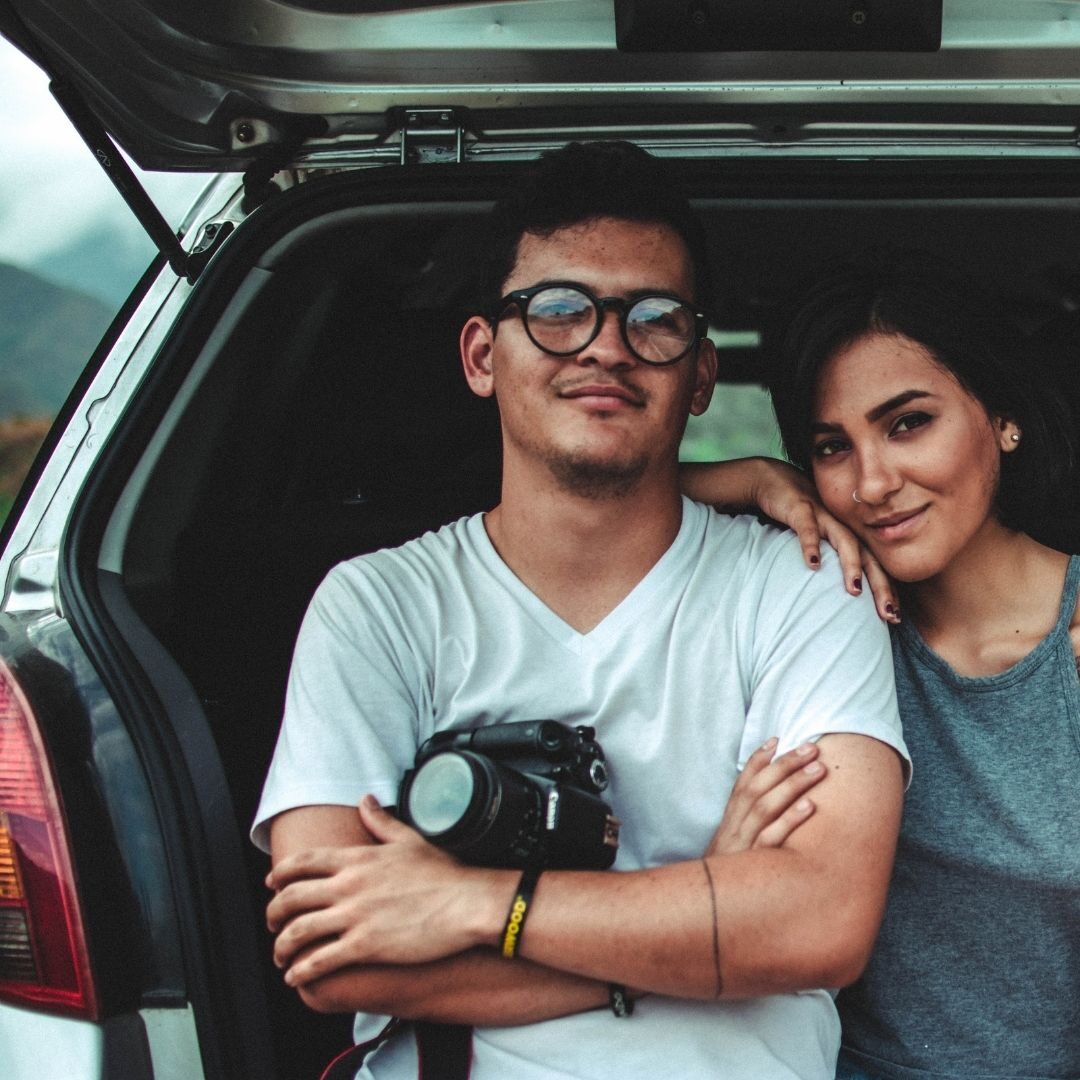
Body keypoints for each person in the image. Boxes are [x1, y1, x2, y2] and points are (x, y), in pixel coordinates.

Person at [251, 141, 908, 1080]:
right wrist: (705, 915)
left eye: (654, 317)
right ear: (483, 355)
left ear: (702, 372)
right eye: (558, 310)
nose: (606, 343)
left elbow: (819, 923)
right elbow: (334, 954)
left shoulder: (802, 583)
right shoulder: (379, 606)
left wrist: (478, 906)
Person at [686, 249, 1079, 1080]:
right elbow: (567, 499)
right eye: (832, 447)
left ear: (1001, 417)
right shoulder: (817, 615)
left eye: (909, 424)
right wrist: (758, 478)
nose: (872, 483)